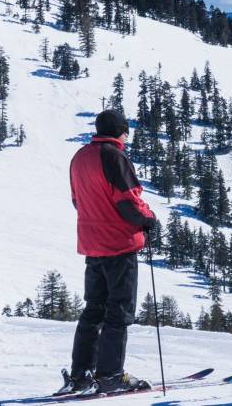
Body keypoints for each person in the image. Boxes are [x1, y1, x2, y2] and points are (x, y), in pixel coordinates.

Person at [56, 109, 157, 396]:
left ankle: (81, 375)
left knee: (94, 309)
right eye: (126, 131)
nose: (127, 136)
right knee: (118, 312)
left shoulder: (79, 157)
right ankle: (111, 374)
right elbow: (127, 202)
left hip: (92, 243)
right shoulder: (114, 156)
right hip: (118, 244)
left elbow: (78, 200)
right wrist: (149, 219)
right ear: (120, 131)